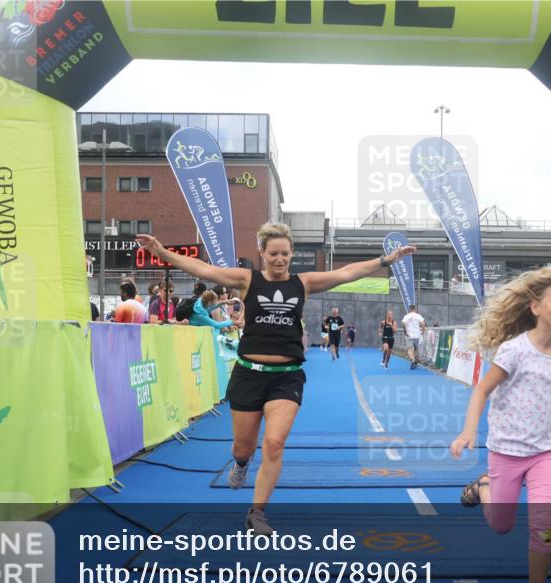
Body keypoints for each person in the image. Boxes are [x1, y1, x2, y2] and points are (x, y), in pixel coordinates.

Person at [137, 223, 415, 534]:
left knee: (274, 443)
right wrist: (161, 252)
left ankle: (257, 512)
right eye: (273, 254)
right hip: (248, 374)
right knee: (243, 449)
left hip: (287, 377)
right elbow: (204, 268)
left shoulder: (304, 283)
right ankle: (241, 464)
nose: (280, 259)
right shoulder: (246, 280)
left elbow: (346, 272)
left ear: (291, 253)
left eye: (285, 253)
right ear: (263, 254)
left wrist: (385, 261)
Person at [450, 268, 551, 583]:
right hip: (506, 452)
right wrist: (468, 431)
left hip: (545, 454)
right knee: (501, 525)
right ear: (535, 307)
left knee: (545, 525)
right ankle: (484, 488)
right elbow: (482, 390)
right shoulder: (515, 350)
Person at [401, 304, 426, 369]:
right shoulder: (418, 316)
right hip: (417, 335)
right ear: (415, 309)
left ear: (410, 309)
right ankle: (415, 362)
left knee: (410, 349)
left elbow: (403, 324)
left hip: (409, 335)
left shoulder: (407, 316)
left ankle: (412, 360)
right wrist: (423, 331)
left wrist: (405, 332)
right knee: (416, 349)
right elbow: (423, 323)